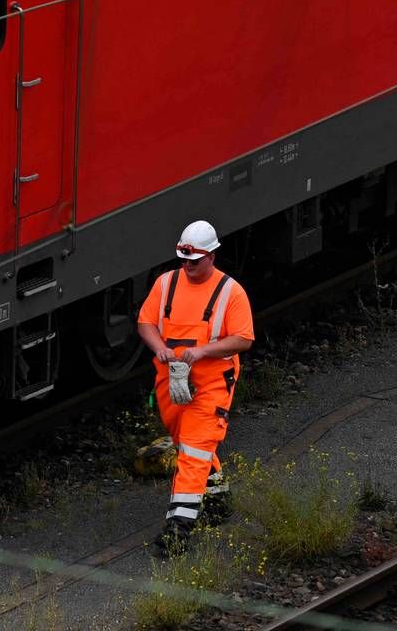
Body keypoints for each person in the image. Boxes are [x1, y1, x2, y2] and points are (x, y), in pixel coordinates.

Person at [136, 220, 254, 554]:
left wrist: (202, 351)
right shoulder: (166, 283)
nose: (187, 266)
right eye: (183, 260)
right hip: (171, 380)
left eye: (194, 261)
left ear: (211, 257)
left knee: (193, 448)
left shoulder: (231, 292)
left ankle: (178, 529)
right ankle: (217, 498)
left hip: (212, 381)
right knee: (186, 442)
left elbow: (243, 338)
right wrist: (158, 345)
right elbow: (145, 322)